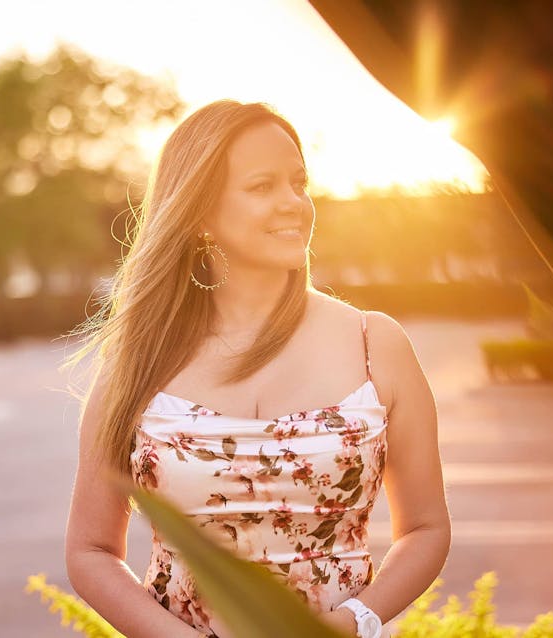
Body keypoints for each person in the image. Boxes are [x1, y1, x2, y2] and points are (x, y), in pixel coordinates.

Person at [63, 99, 451, 638]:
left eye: (300, 182)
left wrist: (352, 623)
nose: (294, 202)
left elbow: (426, 528)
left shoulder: (374, 343)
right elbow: (92, 549)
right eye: (263, 186)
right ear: (199, 212)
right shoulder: (139, 359)